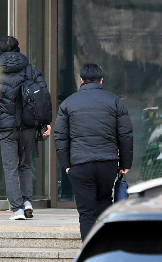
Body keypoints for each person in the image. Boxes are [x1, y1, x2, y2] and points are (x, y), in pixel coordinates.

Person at [54, 63, 134, 241]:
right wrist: (125, 164)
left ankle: (90, 255)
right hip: (108, 163)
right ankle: (109, 248)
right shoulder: (114, 101)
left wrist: (66, 165)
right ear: (101, 80)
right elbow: (126, 134)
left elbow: (60, 137)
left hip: (80, 164)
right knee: (105, 203)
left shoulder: (68, 103)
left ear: (81, 80)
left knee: (87, 213)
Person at [0, 36, 51, 220]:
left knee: (10, 167)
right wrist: (45, 123)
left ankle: (17, 209)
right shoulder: (31, 69)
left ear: (0, 52)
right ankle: (27, 202)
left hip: (6, 127)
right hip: (28, 126)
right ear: (17, 49)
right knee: (25, 165)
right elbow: (43, 97)